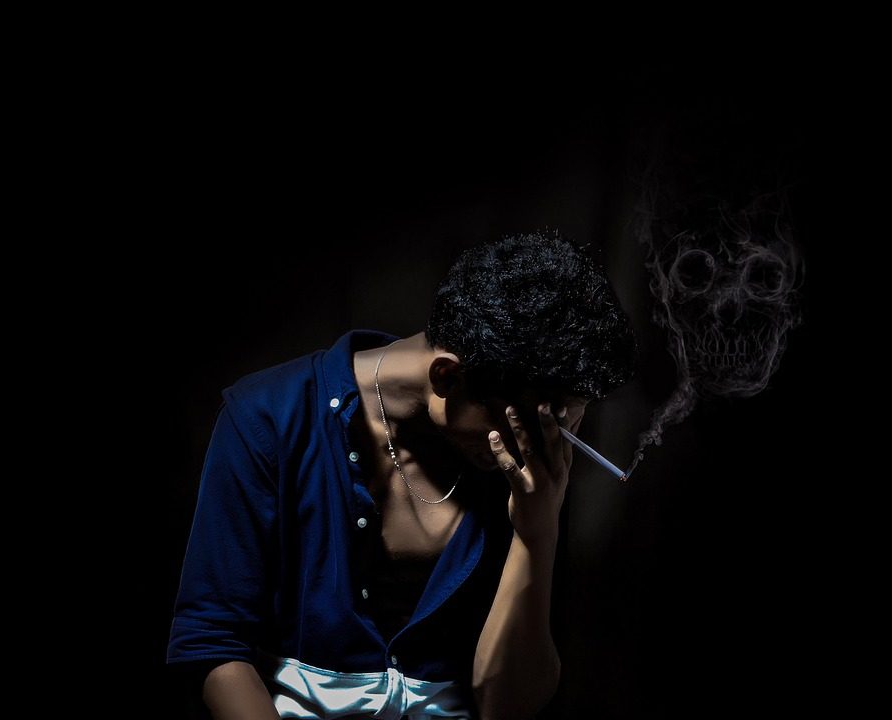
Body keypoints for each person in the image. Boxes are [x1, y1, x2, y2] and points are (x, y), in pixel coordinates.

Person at [167, 229, 638, 720]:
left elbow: (507, 706)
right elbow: (213, 645)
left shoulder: (530, 472)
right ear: (446, 377)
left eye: (565, 425)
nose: (543, 448)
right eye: (529, 425)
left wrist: (536, 534)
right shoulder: (269, 417)